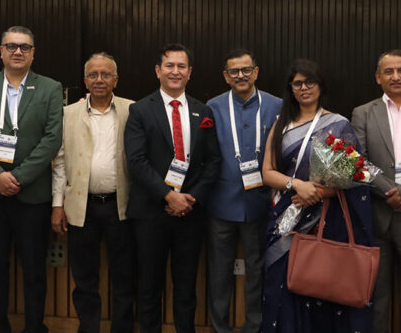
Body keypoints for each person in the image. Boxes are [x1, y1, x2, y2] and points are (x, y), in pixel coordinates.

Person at [261, 59, 374, 333]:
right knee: (281, 283)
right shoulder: (281, 124)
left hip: (327, 221)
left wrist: (319, 192)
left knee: (321, 287)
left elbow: (355, 178)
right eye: (298, 83)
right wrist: (298, 185)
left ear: (320, 86)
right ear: (291, 88)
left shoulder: (339, 124)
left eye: (309, 81)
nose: (304, 88)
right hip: (287, 215)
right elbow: (267, 172)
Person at [0, 26, 63, 333]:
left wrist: (17, 177)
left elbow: (52, 139)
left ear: (33, 53)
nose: (18, 51)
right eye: (11, 46)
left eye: (24, 47)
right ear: (1, 51)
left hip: (31, 195)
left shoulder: (50, 88)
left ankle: (34, 328)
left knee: (34, 270)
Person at [124, 43, 221, 333]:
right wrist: (168, 196)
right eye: (169, 65)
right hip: (150, 214)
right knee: (149, 289)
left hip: (190, 215)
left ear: (190, 72)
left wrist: (191, 199)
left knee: (186, 289)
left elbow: (213, 162)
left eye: (181, 66)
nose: (175, 71)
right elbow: (137, 161)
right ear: (158, 71)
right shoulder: (139, 110)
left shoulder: (203, 111)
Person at [52, 52, 134, 333]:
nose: (99, 79)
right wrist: (57, 204)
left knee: (124, 276)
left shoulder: (132, 110)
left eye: (105, 74)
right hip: (81, 207)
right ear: (85, 80)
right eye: (93, 75)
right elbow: (60, 162)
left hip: (120, 206)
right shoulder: (68, 114)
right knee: (84, 278)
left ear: (116, 80)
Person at [206, 49, 282, 333]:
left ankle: (254, 327)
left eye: (246, 70)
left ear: (256, 72)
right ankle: (219, 328)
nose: (241, 76)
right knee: (219, 271)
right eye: (234, 71)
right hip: (220, 204)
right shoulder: (212, 107)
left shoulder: (276, 105)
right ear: (226, 76)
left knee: (257, 269)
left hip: (261, 204)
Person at [351, 49, 401, 333]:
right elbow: (357, 162)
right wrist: (392, 191)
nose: (395, 76)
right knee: (375, 298)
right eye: (388, 71)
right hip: (377, 219)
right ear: (378, 78)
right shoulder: (363, 113)